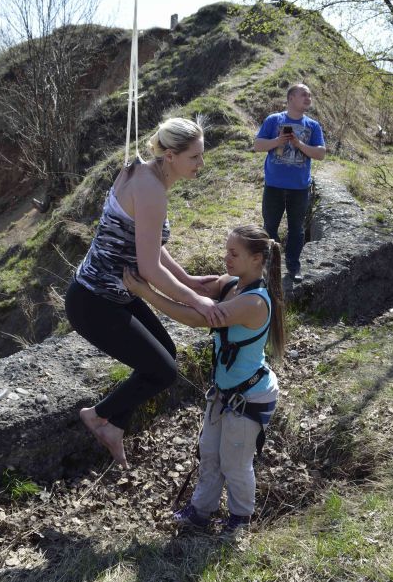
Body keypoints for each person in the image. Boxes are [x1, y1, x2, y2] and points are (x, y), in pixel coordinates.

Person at [65, 117, 225, 468]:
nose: (201, 164)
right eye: (195, 157)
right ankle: (96, 415)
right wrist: (195, 299)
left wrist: (188, 278)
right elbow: (150, 269)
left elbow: (147, 244)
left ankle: (114, 428)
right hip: (94, 301)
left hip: (113, 295)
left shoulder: (141, 171)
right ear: (170, 156)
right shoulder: (152, 191)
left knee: (165, 354)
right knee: (163, 371)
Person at [123, 224, 285, 532]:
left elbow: (198, 318)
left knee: (235, 463)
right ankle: (201, 509)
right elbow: (190, 285)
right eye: (226, 251)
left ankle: (240, 519)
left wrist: (145, 292)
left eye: (234, 253)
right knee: (209, 454)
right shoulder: (231, 284)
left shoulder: (253, 302)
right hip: (226, 393)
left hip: (249, 396)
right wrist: (153, 248)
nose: (226, 258)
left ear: (257, 259)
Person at [255, 83, 326, 282]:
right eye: (304, 95)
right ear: (291, 98)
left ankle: (294, 267)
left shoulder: (313, 125)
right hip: (274, 186)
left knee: (297, 229)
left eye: (310, 96)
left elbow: (320, 153)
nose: (308, 98)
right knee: (269, 228)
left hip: (300, 188)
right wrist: (278, 141)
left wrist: (298, 144)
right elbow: (258, 145)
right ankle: (271, 268)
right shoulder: (273, 120)